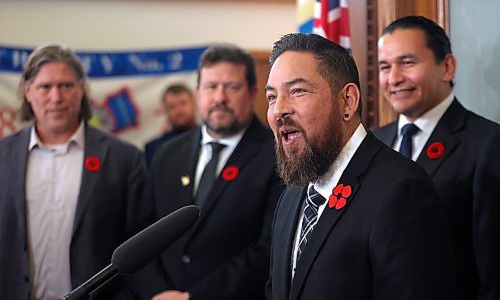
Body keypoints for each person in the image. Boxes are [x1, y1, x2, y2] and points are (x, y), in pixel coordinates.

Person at [265, 33, 456, 299]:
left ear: (348, 101)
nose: (278, 110)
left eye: (297, 91)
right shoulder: (292, 195)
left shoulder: (401, 192)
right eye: (272, 97)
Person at [0, 45, 155, 300]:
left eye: (66, 86)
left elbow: (141, 247)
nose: (56, 97)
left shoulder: (124, 159)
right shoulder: (3, 156)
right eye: (45, 87)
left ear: (82, 90)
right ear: (28, 92)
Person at [374, 15, 500, 299]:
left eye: (407, 63)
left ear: (447, 67)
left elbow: (493, 270)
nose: (394, 78)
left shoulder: (488, 144)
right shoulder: (374, 143)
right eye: (385, 66)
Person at [148, 43, 284, 300]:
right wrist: (157, 292)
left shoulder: (278, 155)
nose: (220, 98)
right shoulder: (167, 154)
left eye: (232, 87)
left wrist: (194, 298)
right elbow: (141, 230)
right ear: (198, 92)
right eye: (211, 87)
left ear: (253, 93)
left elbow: (268, 249)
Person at [144, 84, 198, 166]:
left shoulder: (212, 141)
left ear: (194, 104)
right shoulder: (155, 148)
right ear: (165, 110)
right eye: (172, 107)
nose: (179, 111)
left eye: (183, 103)